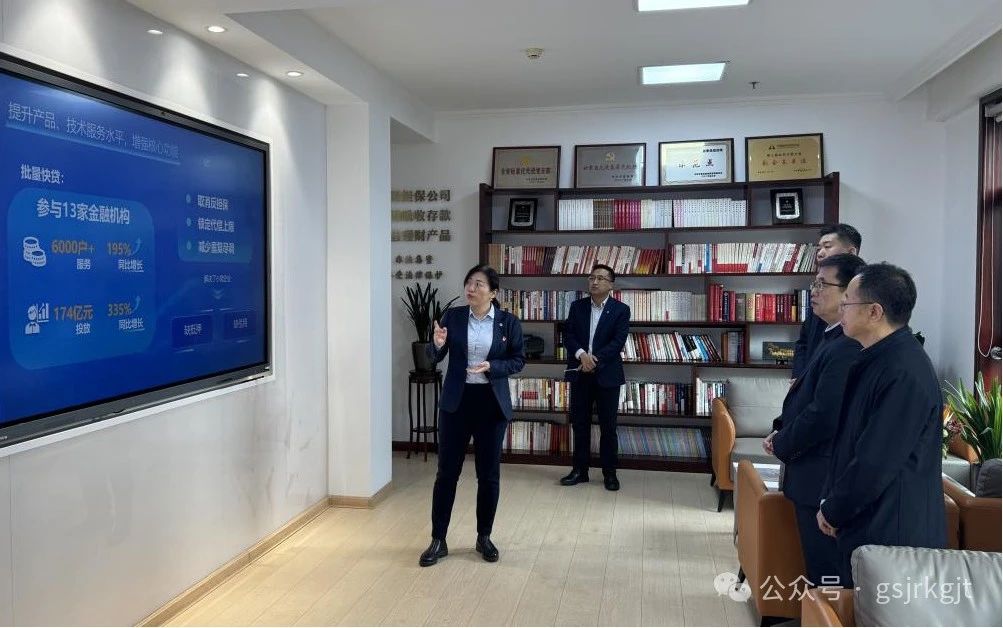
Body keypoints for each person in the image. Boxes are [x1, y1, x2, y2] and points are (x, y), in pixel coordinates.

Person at [817, 263, 946, 587]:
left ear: (874, 312)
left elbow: (875, 461)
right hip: (870, 524)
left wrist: (834, 509)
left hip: (892, 534)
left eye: (848, 301)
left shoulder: (903, 371)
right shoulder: (878, 357)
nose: (841, 308)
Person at [762, 253, 866, 587]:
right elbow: (806, 396)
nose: (814, 291)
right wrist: (781, 428)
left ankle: (824, 614)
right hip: (809, 471)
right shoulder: (829, 335)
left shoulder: (847, 345)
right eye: (813, 284)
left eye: (822, 285)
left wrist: (783, 442)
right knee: (817, 568)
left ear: (849, 292)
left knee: (828, 574)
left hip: (820, 475)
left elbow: (824, 413)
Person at [419, 265, 525, 567]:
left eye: (479, 284)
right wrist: (437, 345)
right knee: (446, 473)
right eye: (469, 283)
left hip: (491, 404)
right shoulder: (453, 317)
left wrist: (493, 366)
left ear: (493, 292)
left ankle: (484, 537)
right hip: (457, 403)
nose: (471, 288)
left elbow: (518, 360)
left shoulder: (507, 322)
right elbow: (434, 356)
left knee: (488, 475)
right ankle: (438, 539)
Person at [559, 264, 631, 491]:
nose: (595, 282)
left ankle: (610, 473)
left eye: (600, 278)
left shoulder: (621, 310)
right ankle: (580, 470)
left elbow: (618, 342)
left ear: (611, 284)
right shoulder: (577, 307)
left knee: (608, 427)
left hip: (607, 374)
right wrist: (582, 355)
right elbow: (568, 335)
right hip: (580, 373)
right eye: (592, 278)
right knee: (580, 424)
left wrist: (594, 360)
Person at [792, 224, 862, 379]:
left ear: (851, 252)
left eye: (827, 246)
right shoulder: (820, 298)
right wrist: (798, 378)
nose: (820, 253)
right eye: (819, 248)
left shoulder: (863, 292)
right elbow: (803, 343)